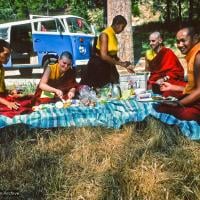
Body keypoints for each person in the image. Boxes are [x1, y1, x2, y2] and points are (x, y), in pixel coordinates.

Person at [156, 27, 200, 121]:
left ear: (196, 38)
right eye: (178, 41)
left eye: (183, 41)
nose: (180, 45)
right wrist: (173, 87)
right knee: (167, 94)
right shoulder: (193, 55)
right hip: (195, 97)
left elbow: (199, 91)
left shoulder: (198, 57)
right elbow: (194, 88)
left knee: (162, 109)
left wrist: (178, 103)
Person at [80, 15, 134, 88]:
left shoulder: (113, 35)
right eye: (123, 27)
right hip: (98, 66)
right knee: (98, 89)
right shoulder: (104, 35)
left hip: (108, 65)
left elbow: (113, 55)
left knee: (114, 85)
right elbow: (104, 56)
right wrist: (120, 64)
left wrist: (125, 65)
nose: (123, 29)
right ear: (117, 24)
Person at [145, 31, 186, 97]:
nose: (150, 43)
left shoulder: (168, 52)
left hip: (168, 80)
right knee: (147, 87)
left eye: (153, 41)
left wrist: (163, 79)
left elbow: (177, 71)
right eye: (149, 41)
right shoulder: (148, 53)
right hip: (155, 81)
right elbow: (148, 70)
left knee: (169, 92)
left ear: (160, 40)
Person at [0, 39, 32, 117]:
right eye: (6, 54)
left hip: (2, 97)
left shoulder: (1, 67)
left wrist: (10, 92)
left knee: (29, 98)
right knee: (17, 108)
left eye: (9, 55)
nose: (8, 58)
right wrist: (8, 103)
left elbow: (2, 89)